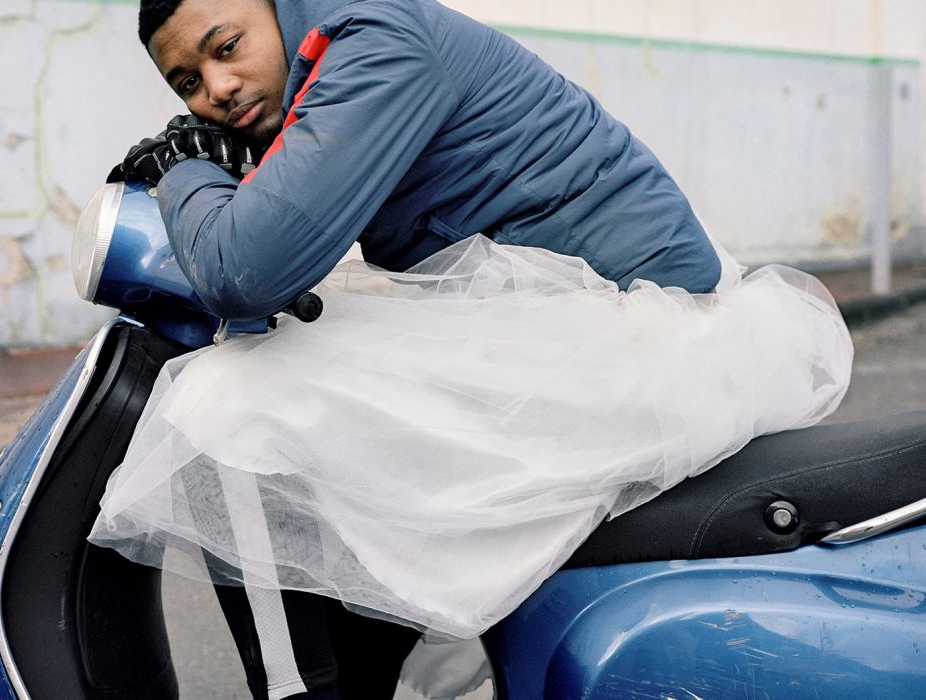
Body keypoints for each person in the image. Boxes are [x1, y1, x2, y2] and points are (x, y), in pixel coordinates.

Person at [90, 1, 852, 698]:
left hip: (641, 340)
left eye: (226, 47)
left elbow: (246, 270)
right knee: (314, 387)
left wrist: (182, 170)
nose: (217, 88)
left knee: (230, 403)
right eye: (187, 82)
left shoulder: (372, 43)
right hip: (574, 322)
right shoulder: (326, 65)